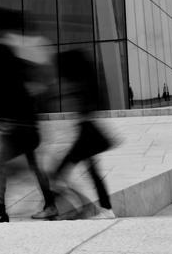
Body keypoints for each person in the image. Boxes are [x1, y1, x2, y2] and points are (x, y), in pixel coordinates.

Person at [0, 9, 55, 224]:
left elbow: (3, 88)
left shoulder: (0, 51)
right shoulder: (9, 50)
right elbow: (21, 87)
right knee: (29, 165)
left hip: (18, 125)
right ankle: (50, 204)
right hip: (26, 124)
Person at [48, 48, 115, 219]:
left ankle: (57, 208)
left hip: (86, 134)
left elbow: (83, 109)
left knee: (60, 173)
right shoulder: (83, 81)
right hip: (86, 133)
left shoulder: (80, 83)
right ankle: (105, 209)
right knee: (89, 172)